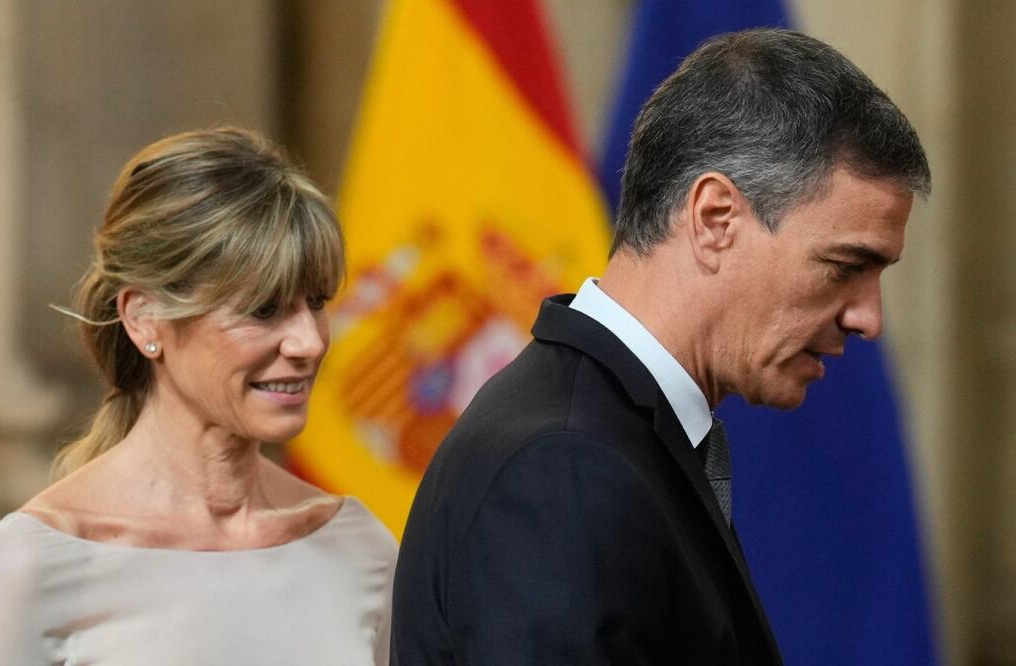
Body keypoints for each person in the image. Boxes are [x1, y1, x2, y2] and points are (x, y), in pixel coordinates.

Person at [391, 28, 931, 665]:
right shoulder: (564, 468)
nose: (869, 318)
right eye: (845, 265)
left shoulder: (606, 433)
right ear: (714, 219)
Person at [0, 127, 397, 665]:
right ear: (144, 319)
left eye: (318, 302)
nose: (308, 342)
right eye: (264, 309)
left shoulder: (359, 545)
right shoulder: (37, 561)